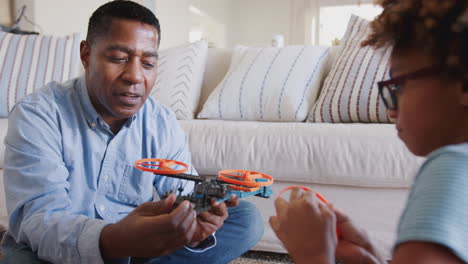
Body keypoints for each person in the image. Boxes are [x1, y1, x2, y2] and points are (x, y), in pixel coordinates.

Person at [0, 1, 263, 263]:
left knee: (246, 219)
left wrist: (196, 224)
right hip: (58, 250)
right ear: (86, 55)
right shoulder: (38, 114)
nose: (135, 76)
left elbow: (185, 192)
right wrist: (114, 239)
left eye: (148, 63)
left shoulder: (161, 121)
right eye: (118, 59)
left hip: (138, 248)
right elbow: (39, 221)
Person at [270, 0, 468, 263]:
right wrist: (370, 258)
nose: (391, 111)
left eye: (398, 86)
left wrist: (313, 254)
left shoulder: (451, 166)